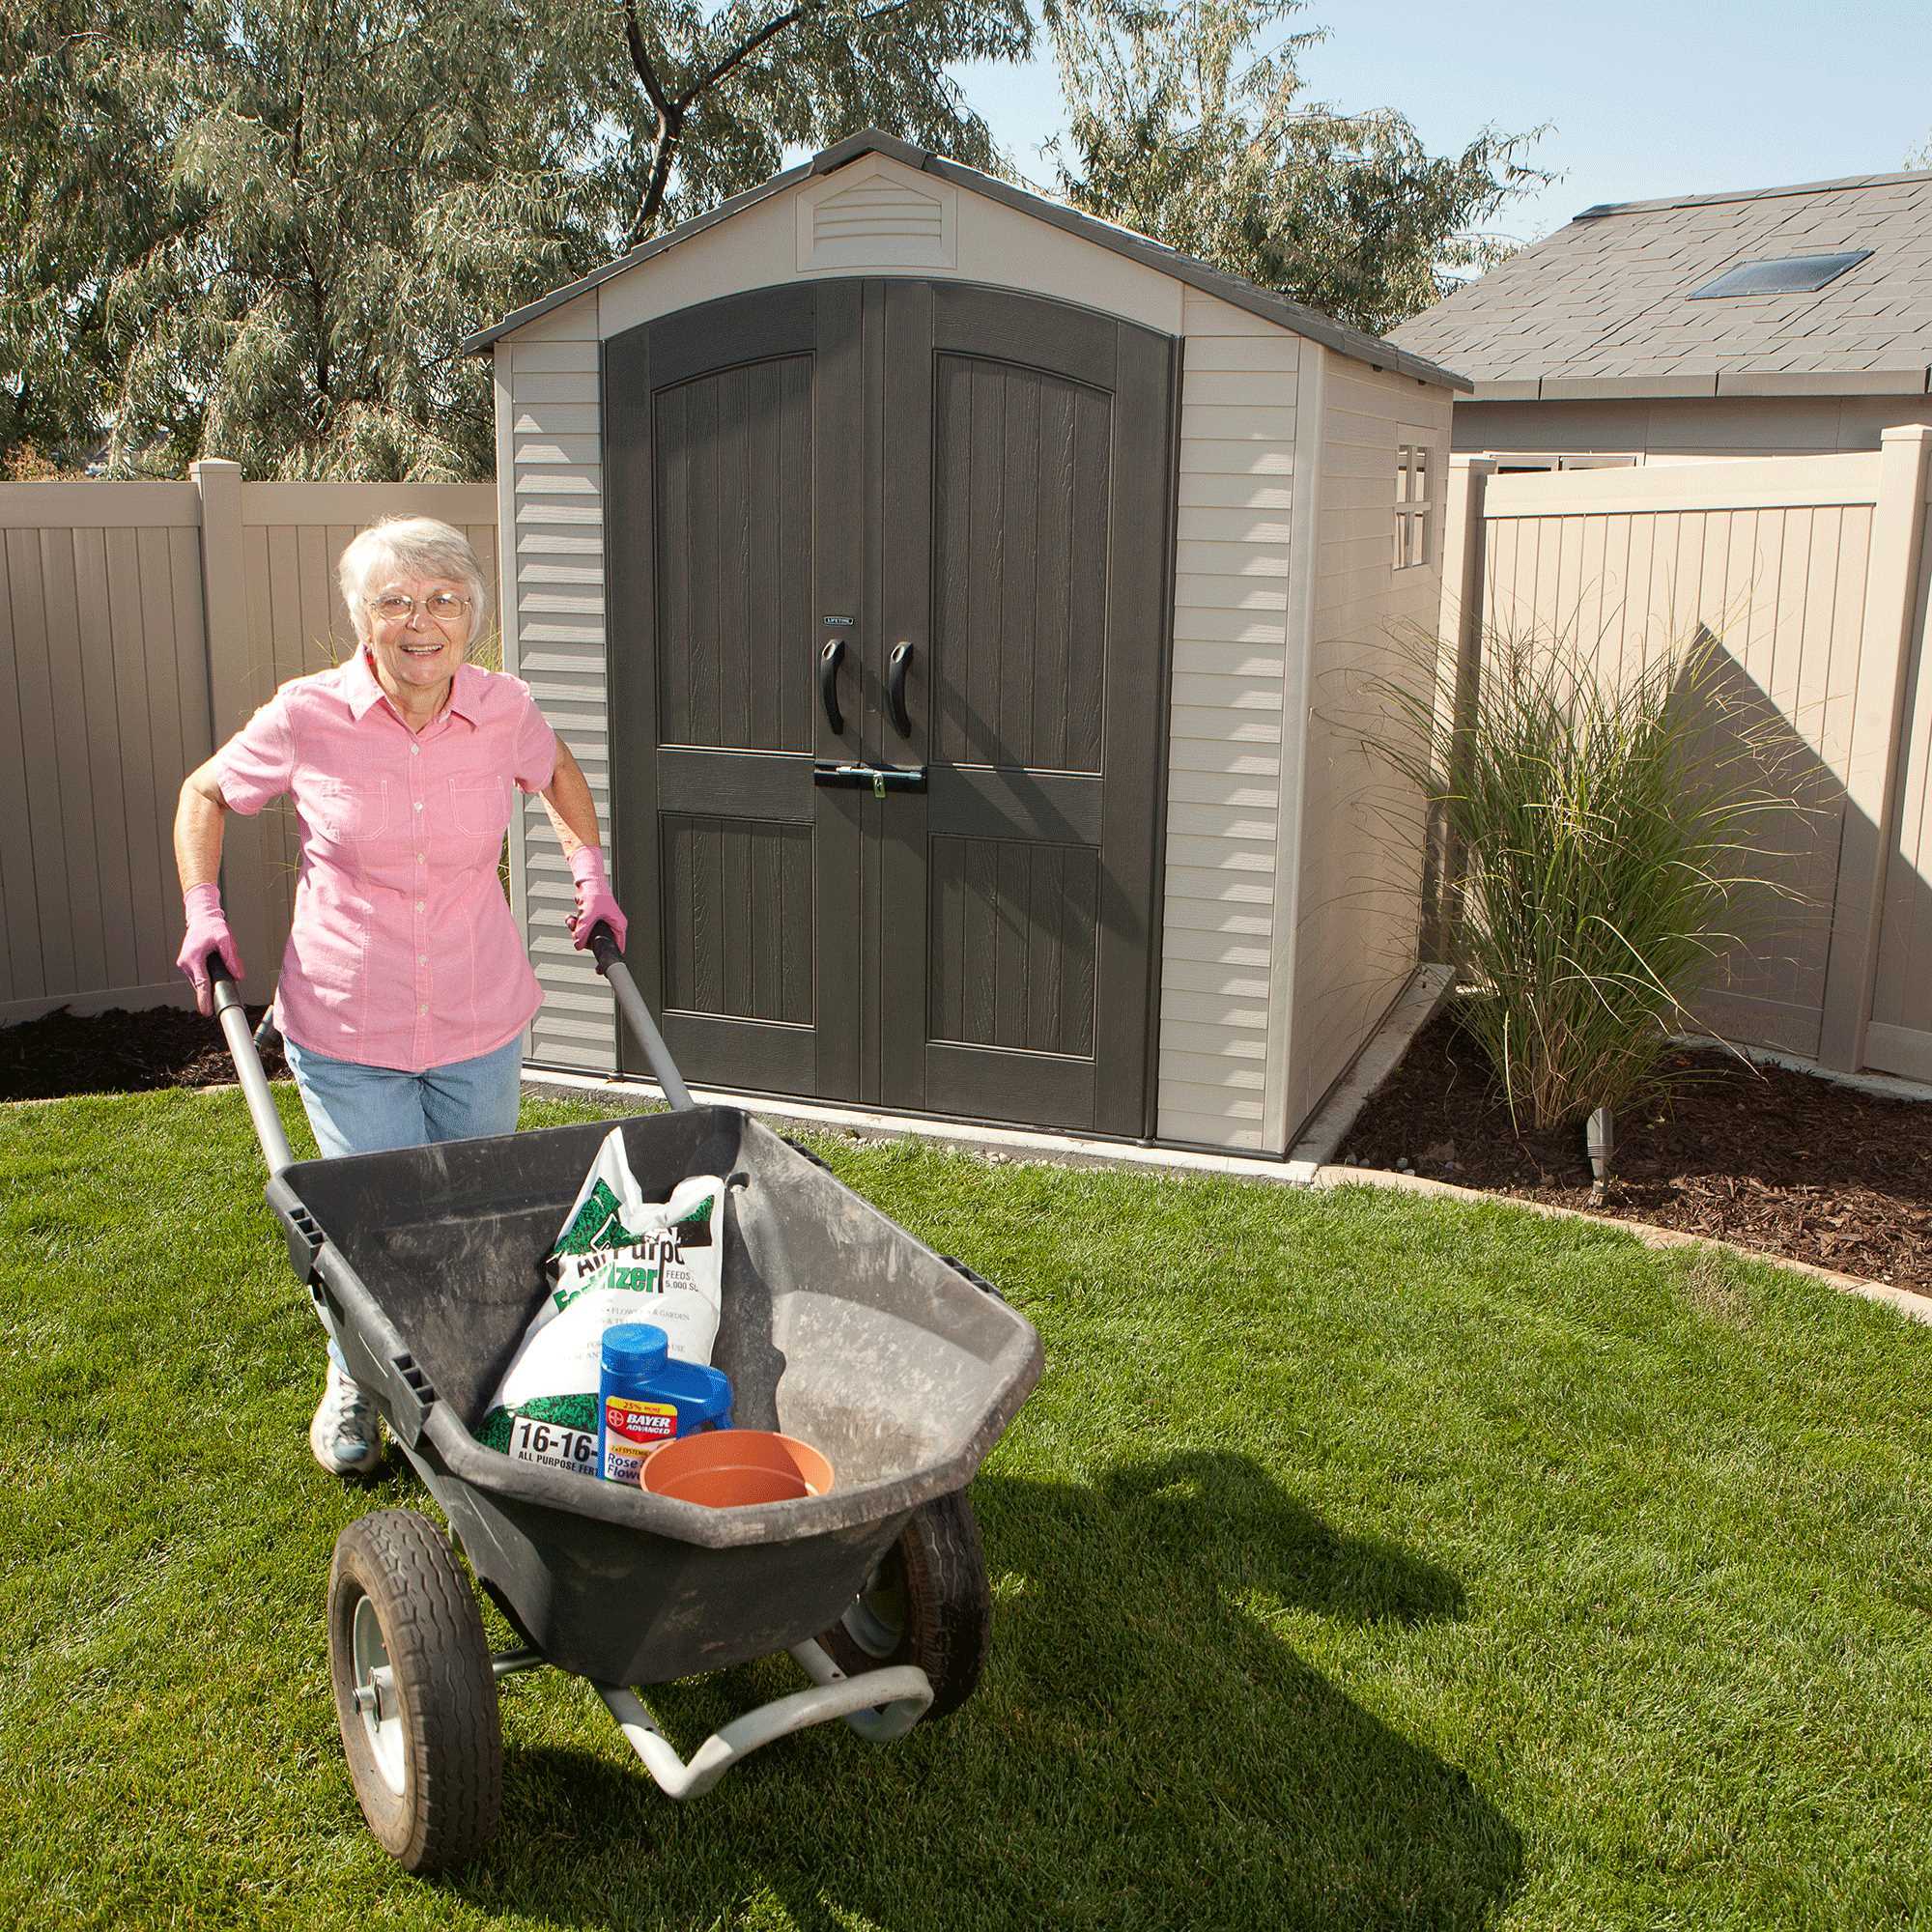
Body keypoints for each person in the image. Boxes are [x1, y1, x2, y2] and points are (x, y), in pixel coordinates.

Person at [173, 515, 626, 1478]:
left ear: (474, 616)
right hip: (349, 1016)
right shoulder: (306, 714)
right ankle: (352, 1377)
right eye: (395, 601)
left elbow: (554, 771)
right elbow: (204, 792)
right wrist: (202, 908)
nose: (422, 621)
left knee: (469, 1213)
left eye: (445, 600)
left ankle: (466, 1371)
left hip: (475, 1009)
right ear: (359, 617)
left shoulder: (503, 705)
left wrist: (590, 872)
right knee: (372, 1220)